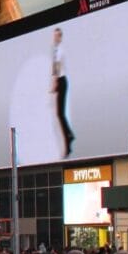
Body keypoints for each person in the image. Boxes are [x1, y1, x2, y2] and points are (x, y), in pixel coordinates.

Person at [51, 26, 74, 158]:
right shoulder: (56, 50)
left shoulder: (59, 50)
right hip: (61, 81)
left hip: (62, 81)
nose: (55, 38)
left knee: (60, 114)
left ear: (60, 37)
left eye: (57, 35)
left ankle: (68, 140)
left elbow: (58, 68)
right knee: (60, 114)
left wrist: (55, 83)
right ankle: (69, 136)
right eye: (54, 35)